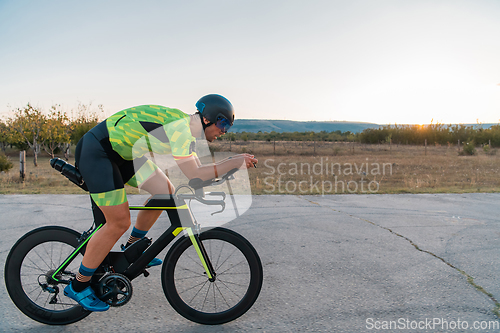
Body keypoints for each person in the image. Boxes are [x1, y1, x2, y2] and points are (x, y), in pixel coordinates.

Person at [64, 94, 258, 311]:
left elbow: (197, 176)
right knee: (118, 222)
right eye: (223, 124)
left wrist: (230, 166)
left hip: (125, 155)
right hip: (99, 150)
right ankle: (78, 285)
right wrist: (233, 161)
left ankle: (132, 249)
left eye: (228, 127)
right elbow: (195, 172)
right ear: (207, 119)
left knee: (166, 193)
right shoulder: (181, 129)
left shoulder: (188, 133)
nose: (224, 131)